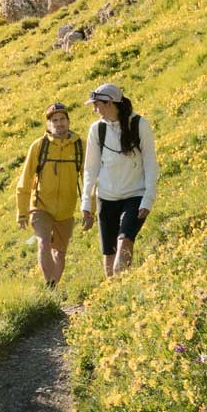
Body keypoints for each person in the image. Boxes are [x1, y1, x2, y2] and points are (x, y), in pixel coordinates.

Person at [80, 82, 157, 278]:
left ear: (110, 103)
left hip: (135, 195)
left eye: (97, 105)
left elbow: (150, 163)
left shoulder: (140, 125)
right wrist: (86, 202)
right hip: (106, 197)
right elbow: (91, 168)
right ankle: (116, 298)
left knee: (125, 241)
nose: (95, 109)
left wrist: (148, 198)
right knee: (109, 254)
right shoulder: (97, 130)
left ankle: (121, 282)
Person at [14, 101, 85, 287]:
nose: (59, 123)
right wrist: (22, 212)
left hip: (66, 210)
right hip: (40, 207)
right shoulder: (39, 146)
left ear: (69, 121)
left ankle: (53, 289)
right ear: (48, 124)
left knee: (60, 252)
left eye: (62, 119)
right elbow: (25, 180)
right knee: (43, 243)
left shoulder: (80, 146)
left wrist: (90, 210)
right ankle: (49, 284)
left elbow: (88, 180)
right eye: (54, 120)